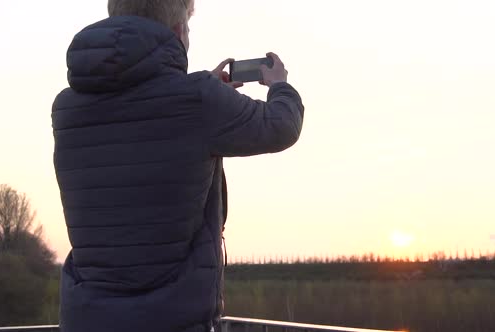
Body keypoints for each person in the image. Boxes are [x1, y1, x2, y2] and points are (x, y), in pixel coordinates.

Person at [51, 1, 305, 331]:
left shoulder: (66, 108)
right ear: (178, 31)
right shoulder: (198, 99)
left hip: (85, 319)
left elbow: (140, 123)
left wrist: (204, 93)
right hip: (171, 318)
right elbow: (281, 126)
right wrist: (279, 85)